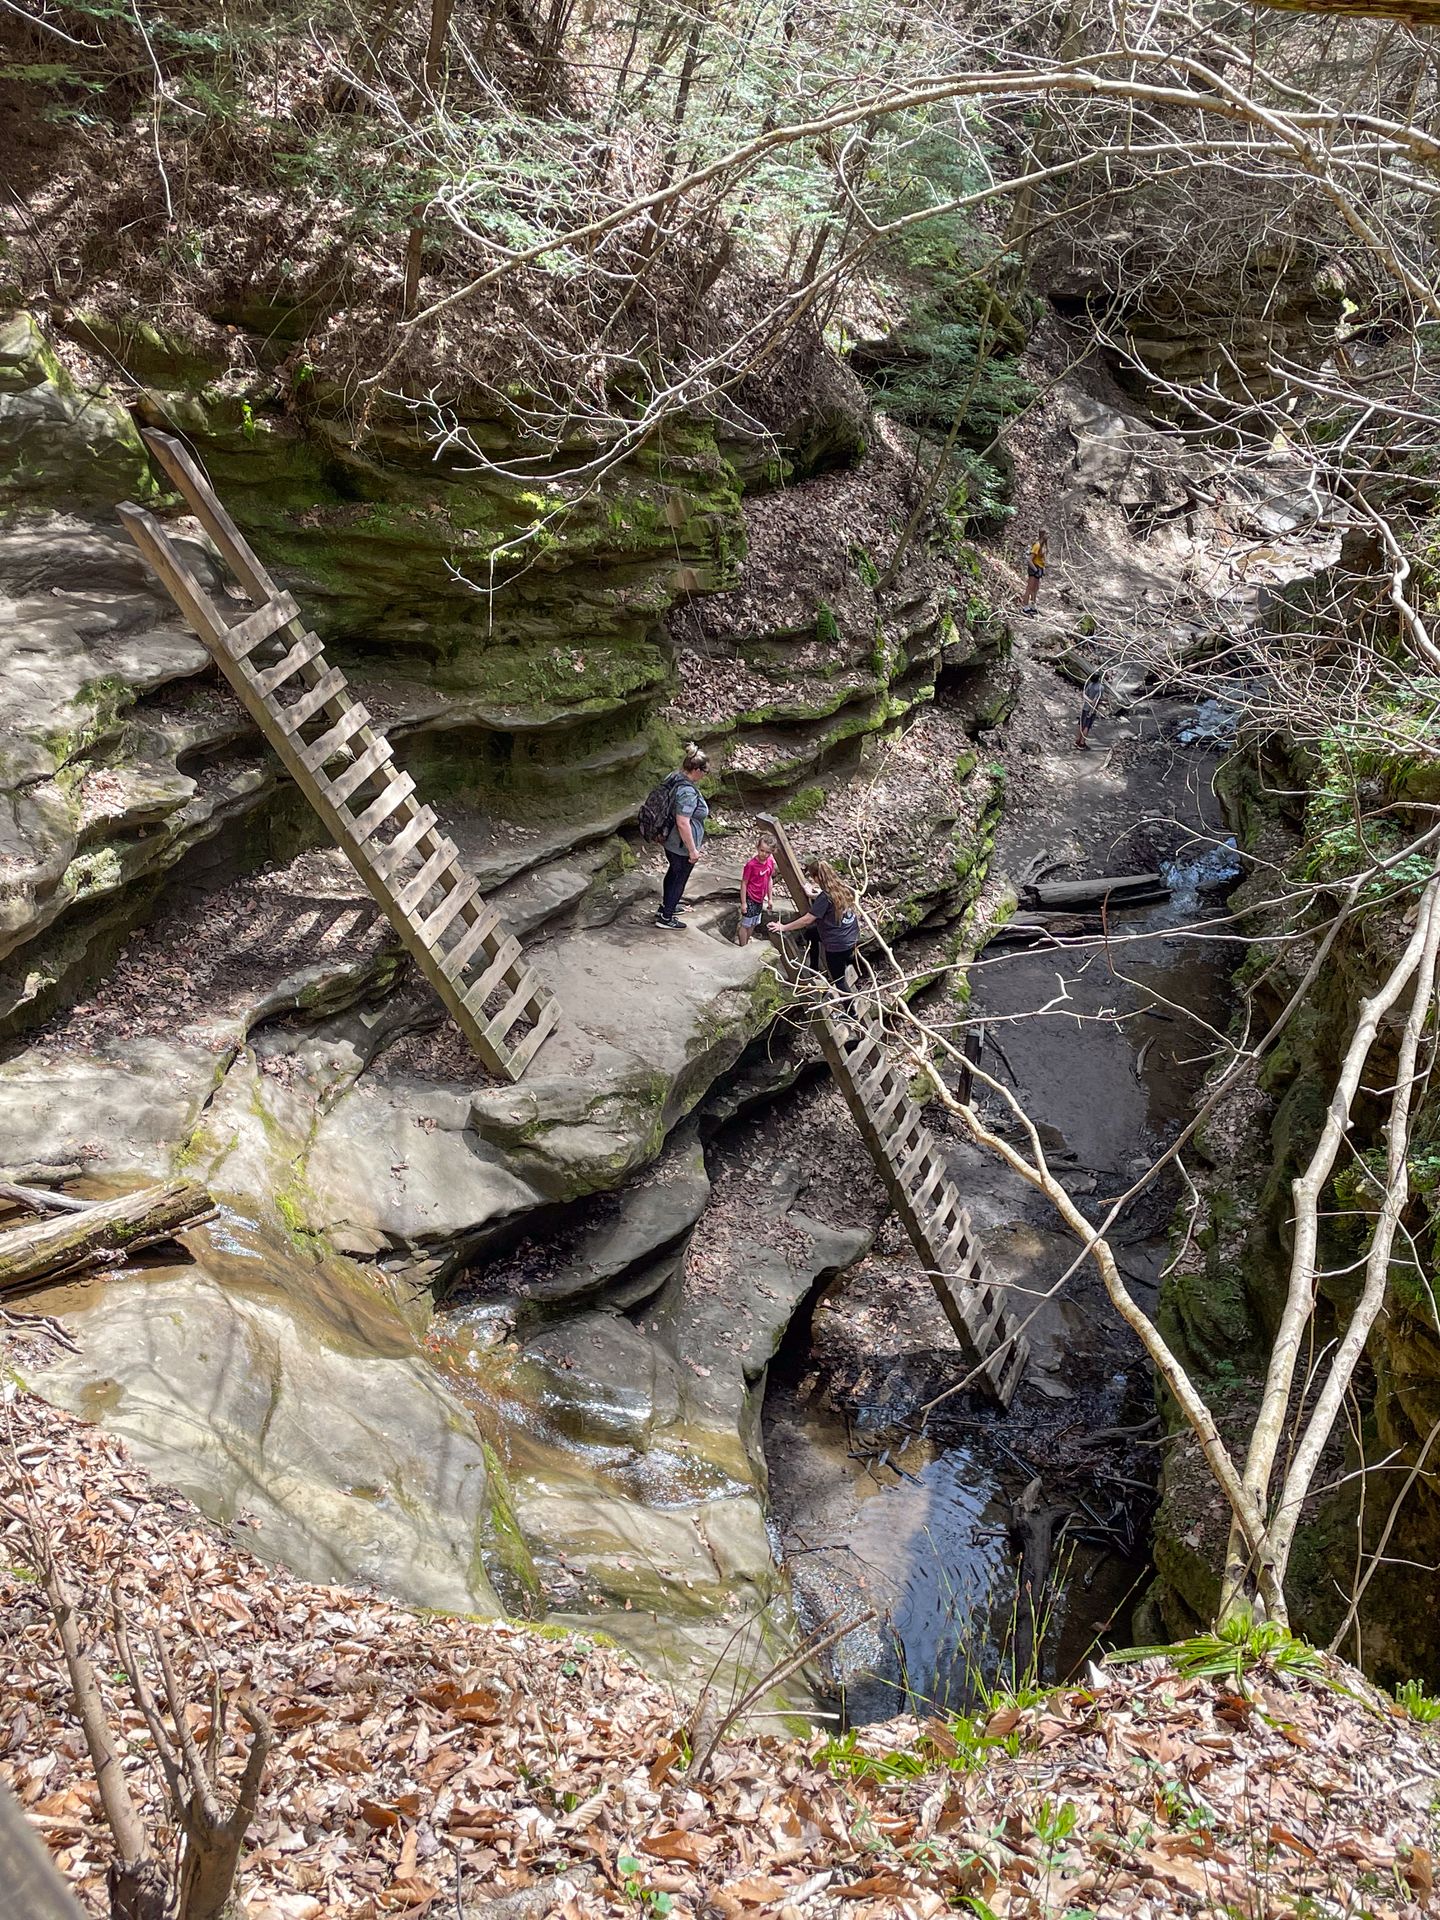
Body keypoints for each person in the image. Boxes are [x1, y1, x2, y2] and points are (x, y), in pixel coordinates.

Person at [772, 856, 860, 992]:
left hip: (838, 945)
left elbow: (807, 919)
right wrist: (811, 894)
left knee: (839, 981)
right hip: (851, 937)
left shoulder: (825, 898)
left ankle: (851, 1012)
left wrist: (783, 927)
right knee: (812, 933)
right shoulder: (841, 889)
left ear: (817, 878)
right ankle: (814, 967)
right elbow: (827, 898)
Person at [655, 746, 710, 930]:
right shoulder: (686, 792)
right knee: (679, 877)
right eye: (704, 770)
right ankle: (666, 918)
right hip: (680, 844)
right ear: (696, 770)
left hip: (669, 839)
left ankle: (666, 906)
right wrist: (692, 850)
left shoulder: (674, 776)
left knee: (673, 872)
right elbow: (683, 822)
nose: (705, 774)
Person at [737, 831, 777, 946]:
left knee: (754, 922)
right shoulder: (751, 865)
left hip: (760, 898)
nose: (763, 854)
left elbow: (769, 879)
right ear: (757, 848)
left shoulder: (770, 862)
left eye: (767, 852)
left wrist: (770, 898)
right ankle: (743, 945)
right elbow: (744, 883)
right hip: (750, 897)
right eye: (762, 850)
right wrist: (744, 902)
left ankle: (746, 941)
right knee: (746, 924)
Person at [1075, 670, 1106, 750]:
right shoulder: (1101, 688)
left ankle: (1077, 740)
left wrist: (1088, 701)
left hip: (1085, 707)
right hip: (1092, 709)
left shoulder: (1090, 684)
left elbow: (1084, 695)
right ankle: (1082, 743)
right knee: (1087, 726)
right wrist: (1092, 706)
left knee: (1081, 723)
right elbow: (1096, 700)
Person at [1021, 528, 1048, 616]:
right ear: (1043, 535)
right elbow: (1030, 560)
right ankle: (1025, 606)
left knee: (1035, 588)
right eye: (1047, 534)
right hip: (1034, 567)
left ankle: (1033, 606)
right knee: (1030, 587)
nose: (1049, 536)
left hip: (1040, 567)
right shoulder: (1037, 545)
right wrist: (1035, 570)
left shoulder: (1044, 545)